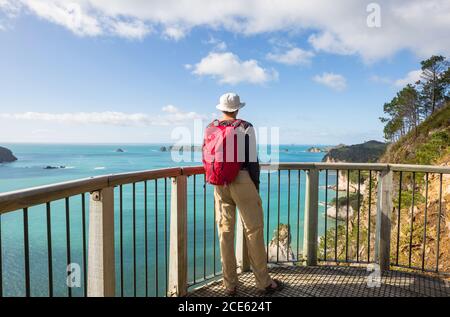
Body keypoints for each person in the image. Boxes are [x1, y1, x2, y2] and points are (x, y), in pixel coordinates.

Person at [203, 92, 283, 296]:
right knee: (253, 230)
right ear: (238, 109)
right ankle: (264, 282)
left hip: (219, 183)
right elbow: (252, 160)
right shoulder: (245, 127)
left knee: (225, 233)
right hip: (242, 180)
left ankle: (230, 285)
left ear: (221, 108)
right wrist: (254, 185)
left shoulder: (211, 127)